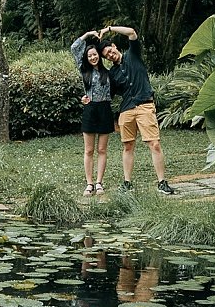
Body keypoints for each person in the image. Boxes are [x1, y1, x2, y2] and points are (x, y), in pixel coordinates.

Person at [100, 24, 175, 195]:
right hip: (126, 110)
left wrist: (109, 29)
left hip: (145, 106)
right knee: (128, 146)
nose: (110, 55)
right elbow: (109, 95)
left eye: (110, 51)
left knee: (154, 144)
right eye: (106, 56)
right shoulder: (112, 73)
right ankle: (127, 182)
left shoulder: (133, 54)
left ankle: (162, 182)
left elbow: (132, 32)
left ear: (114, 47)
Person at [70, 29, 114, 195]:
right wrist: (88, 35)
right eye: (90, 56)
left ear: (99, 56)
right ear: (87, 59)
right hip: (90, 109)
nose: (93, 57)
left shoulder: (108, 73)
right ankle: (89, 183)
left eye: (95, 55)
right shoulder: (84, 70)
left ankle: (99, 182)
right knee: (89, 150)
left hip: (105, 109)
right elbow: (75, 48)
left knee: (102, 149)